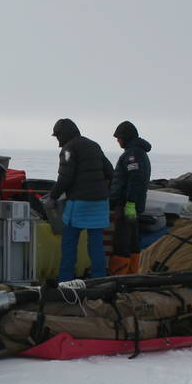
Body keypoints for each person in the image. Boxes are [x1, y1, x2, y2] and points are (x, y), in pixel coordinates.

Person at [47, 118, 113, 281]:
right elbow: (110, 171)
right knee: (96, 244)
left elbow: (65, 178)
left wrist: (52, 197)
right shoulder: (94, 145)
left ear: (63, 135)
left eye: (57, 137)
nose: (58, 141)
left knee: (69, 242)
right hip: (100, 203)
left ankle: (66, 280)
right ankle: (99, 280)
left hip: (80, 203)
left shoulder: (69, 149)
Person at [108, 120, 152, 275]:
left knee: (121, 243)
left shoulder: (133, 154)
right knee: (132, 242)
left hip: (127, 205)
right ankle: (133, 275)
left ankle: (118, 279)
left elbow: (135, 179)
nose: (118, 141)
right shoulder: (138, 152)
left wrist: (130, 203)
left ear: (125, 137)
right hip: (132, 205)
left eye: (119, 138)